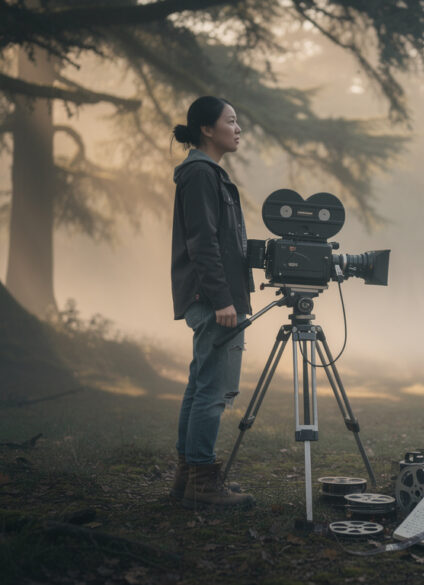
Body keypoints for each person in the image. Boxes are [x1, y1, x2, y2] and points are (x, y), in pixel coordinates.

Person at [168, 96, 254, 508]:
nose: (238, 129)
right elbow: (202, 243)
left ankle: (189, 478)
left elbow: (219, 240)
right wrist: (223, 299)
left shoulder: (204, 173)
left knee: (201, 385)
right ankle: (203, 482)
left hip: (211, 296)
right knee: (213, 391)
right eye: (231, 121)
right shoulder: (201, 173)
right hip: (213, 299)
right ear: (207, 129)